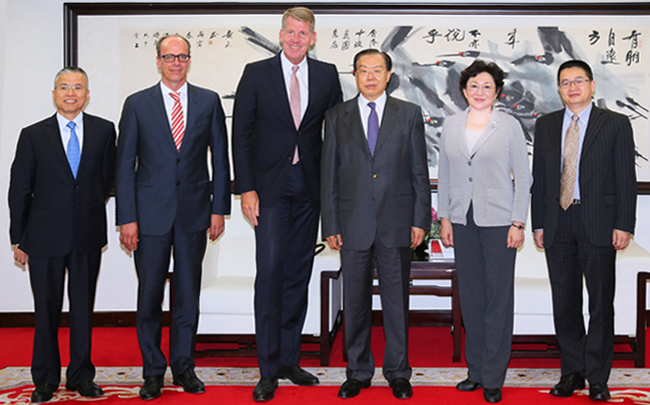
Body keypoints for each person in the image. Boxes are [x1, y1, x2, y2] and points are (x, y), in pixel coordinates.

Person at [232, 7, 342, 402]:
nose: (296, 39)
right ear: (281, 35)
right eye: (290, 32)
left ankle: (289, 361)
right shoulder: (255, 74)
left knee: (298, 273)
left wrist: (333, 193)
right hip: (269, 191)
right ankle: (267, 370)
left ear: (313, 38)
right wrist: (246, 188)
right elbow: (240, 134)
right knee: (271, 272)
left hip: (309, 188)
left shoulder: (327, 74)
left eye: (303, 33)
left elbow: (336, 134)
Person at [115, 34, 231, 401]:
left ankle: (183, 366)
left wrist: (218, 209)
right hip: (148, 216)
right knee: (149, 296)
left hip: (194, 214)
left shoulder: (208, 101)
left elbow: (221, 159)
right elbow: (124, 165)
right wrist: (127, 218)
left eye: (181, 56)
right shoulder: (137, 104)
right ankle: (152, 371)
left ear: (189, 60)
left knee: (187, 295)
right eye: (169, 57)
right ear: (158, 61)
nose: (175, 63)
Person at [321, 49, 431, 400]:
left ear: (388, 75)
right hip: (352, 222)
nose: (370, 77)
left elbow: (419, 172)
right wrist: (330, 223)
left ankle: (398, 372)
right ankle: (358, 372)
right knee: (354, 302)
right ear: (354, 75)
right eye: (363, 70)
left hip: (396, 222)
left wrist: (420, 221)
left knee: (397, 302)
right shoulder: (336, 116)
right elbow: (329, 175)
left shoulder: (408, 114)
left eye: (377, 70)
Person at [8, 67, 116, 404]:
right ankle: (45, 379)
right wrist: (18, 237)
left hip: (87, 234)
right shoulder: (32, 134)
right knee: (46, 310)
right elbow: (19, 188)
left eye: (78, 87)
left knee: (83, 309)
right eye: (64, 87)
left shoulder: (103, 130)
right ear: (54, 93)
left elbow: (107, 180)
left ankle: (81, 375)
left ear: (87, 93)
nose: (71, 93)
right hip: (43, 237)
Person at [531, 60, 637, 402]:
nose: (572, 87)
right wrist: (539, 223)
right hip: (558, 220)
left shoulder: (615, 123)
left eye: (579, 81)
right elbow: (540, 179)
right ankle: (572, 372)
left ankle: (598, 378)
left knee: (601, 303)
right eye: (565, 82)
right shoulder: (546, 124)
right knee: (565, 302)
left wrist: (624, 224)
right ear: (559, 89)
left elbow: (626, 177)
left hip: (600, 223)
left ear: (592, 86)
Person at [438, 60, 532, 403]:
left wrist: (518, 222)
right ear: (464, 91)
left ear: (497, 92)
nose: (480, 92)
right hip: (462, 221)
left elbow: (523, 176)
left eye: (487, 86)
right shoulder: (451, 125)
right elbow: (445, 174)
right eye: (474, 86)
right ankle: (475, 371)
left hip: (500, 222)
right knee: (472, 298)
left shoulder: (508, 126)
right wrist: (445, 218)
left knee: (497, 299)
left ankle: (493, 376)